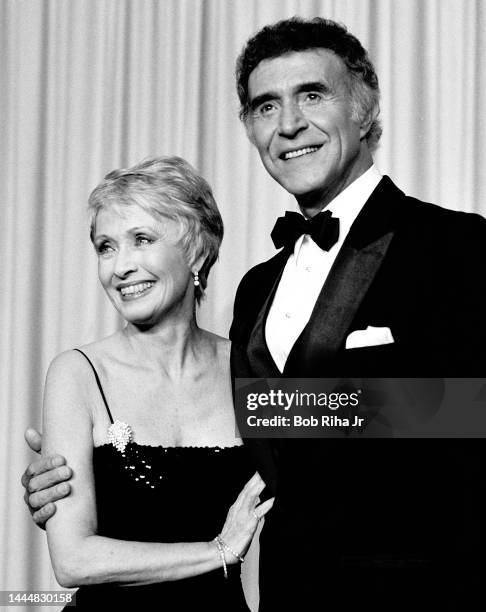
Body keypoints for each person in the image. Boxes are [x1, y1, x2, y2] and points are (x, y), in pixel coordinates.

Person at [23, 16, 486, 611]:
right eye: (266, 107)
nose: (289, 123)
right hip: (285, 599)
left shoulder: (459, 247)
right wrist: (81, 478)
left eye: (312, 95)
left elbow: (472, 407)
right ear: (249, 127)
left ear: (366, 110)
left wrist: (285, 406)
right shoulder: (257, 289)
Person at [28, 155, 273, 610]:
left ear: (196, 251)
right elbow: (73, 561)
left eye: (141, 239)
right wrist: (219, 550)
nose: (119, 267)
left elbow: (418, 416)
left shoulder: (249, 365)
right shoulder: (76, 373)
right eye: (105, 247)